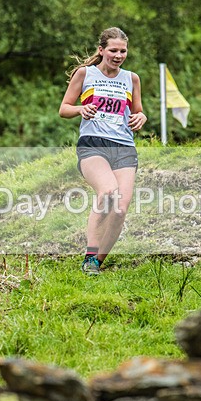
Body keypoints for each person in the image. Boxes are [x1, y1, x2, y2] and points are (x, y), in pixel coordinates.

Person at [59, 27, 147, 275]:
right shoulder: (85, 74)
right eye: (113, 50)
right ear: (101, 50)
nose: (118, 56)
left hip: (124, 147)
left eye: (123, 51)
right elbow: (64, 108)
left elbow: (138, 111)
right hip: (93, 144)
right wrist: (80, 109)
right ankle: (89, 256)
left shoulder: (132, 79)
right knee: (108, 192)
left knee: (119, 210)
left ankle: (97, 261)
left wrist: (141, 117)